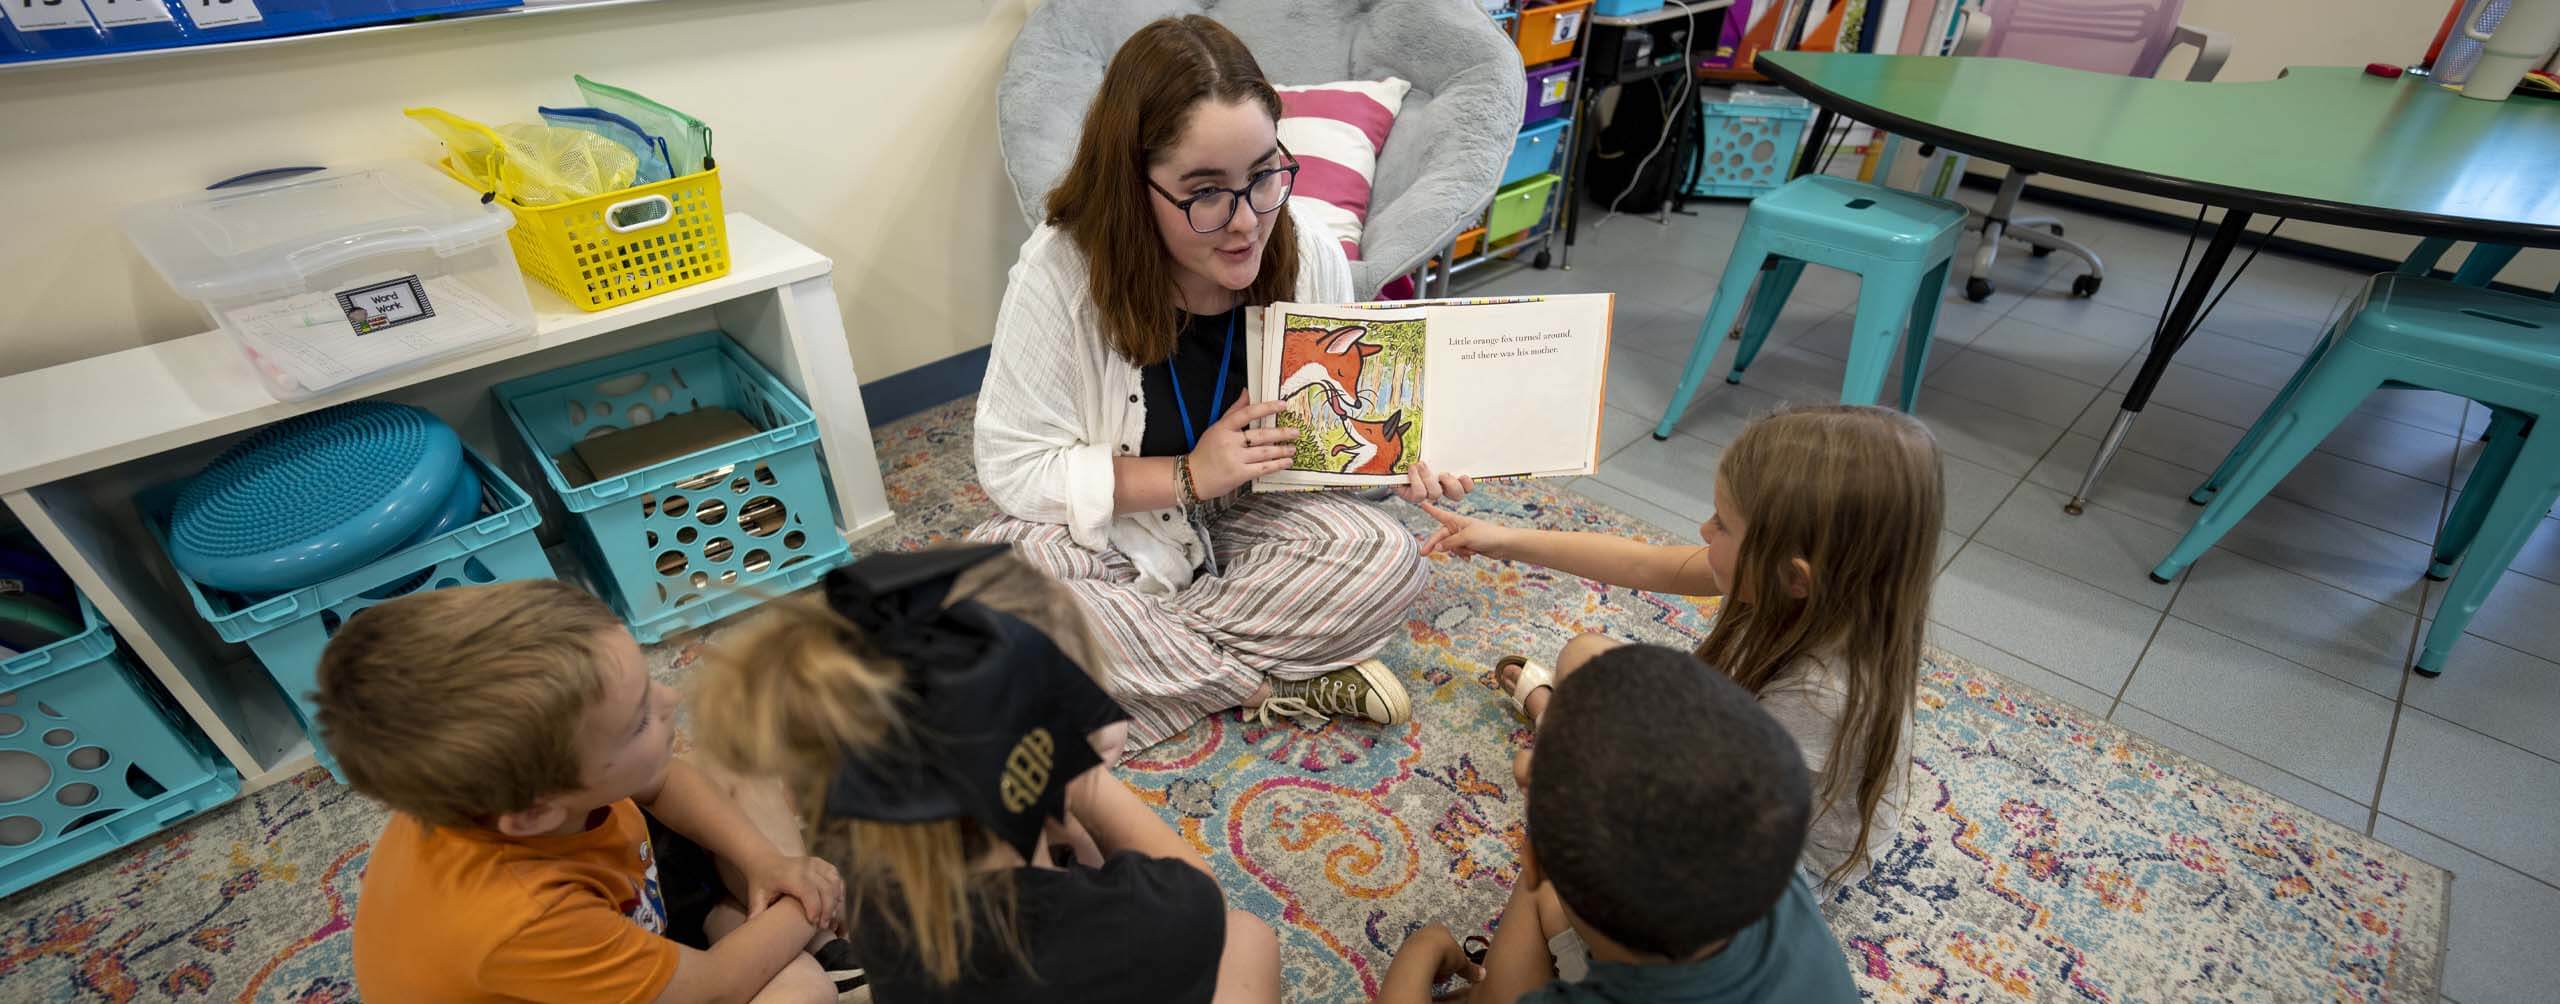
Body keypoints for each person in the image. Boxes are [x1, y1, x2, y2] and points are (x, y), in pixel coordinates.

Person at [971, 14, 1471, 750]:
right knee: (979, 595)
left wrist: (1392, 459)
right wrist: (1188, 475)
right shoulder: (1063, 273)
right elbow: (1015, 470)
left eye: (1264, 175)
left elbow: (1331, 457)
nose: (1246, 223)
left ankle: (1117, 665)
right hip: (1123, 524)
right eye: (1206, 191)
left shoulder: (1308, 256)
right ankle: (1275, 683)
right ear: (1133, 185)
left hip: (1257, 516)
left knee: (1386, 559)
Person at [688, 543, 1280, 1004]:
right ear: (1050, 753)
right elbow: (1196, 888)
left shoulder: (880, 904)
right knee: (1250, 935)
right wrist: (1088, 781)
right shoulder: (1155, 915)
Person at [1417, 404, 1941, 890]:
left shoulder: (1822, 694)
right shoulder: (1809, 586)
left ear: (1794, 575)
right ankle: (1556, 720)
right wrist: (1502, 539)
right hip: (1731, 759)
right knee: (1584, 654)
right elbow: (1644, 563)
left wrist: (1567, 775)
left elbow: (1699, 819)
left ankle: (1551, 718)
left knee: (1565, 882)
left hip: (1765, 861)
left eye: (1723, 524)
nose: (1703, 529)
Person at [314, 580, 861, 1003]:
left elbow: (663, 778)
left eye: (649, 688)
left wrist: (766, 861)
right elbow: (712, 989)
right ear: (534, 813)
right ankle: (790, 932)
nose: (670, 700)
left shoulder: (502, 788)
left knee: (727, 768)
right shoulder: (521, 916)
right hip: (595, 970)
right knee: (802, 990)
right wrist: (805, 900)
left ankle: (767, 922)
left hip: (622, 910)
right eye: (637, 721)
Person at [1377, 644, 1860, 1003]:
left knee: (1537, 907)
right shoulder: (1774, 876)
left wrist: (1423, 949)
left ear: (1533, 859)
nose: (1523, 766)